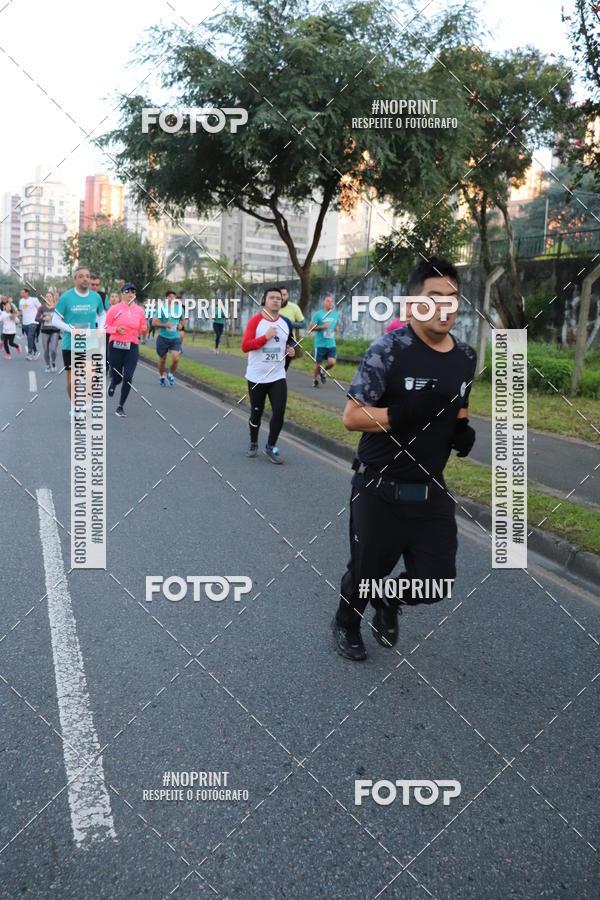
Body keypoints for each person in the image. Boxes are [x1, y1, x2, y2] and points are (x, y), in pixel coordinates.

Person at [331, 257, 477, 661]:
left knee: (437, 582)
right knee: (365, 573)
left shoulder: (465, 355)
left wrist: (462, 429)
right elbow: (351, 417)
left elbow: (459, 403)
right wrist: (403, 413)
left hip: (430, 487)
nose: (444, 307)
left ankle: (389, 602)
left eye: (452, 298)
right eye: (434, 298)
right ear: (412, 304)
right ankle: (346, 623)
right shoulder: (389, 351)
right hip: (380, 485)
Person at [241, 286, 295, 463]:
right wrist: (265, 337)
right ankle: (253, 442)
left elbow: (290, 343)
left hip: (277, 376)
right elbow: (245, 346)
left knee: (279, 412)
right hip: (257, 376)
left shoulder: (286, 323)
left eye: (278, 298)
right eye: (272, 297)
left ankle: (271, 447)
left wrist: (290, 350)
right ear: (264, 300)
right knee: (257, 412)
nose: (275, 300)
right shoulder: (255, 322)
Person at [52, 267, 106, 405]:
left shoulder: (96, 297)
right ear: (75, 279)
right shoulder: (66, 297)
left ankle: (86, 403)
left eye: (87, 276)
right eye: (81, 276)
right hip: (70, 343)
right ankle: (75, 405)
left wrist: (99, 328)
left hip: (90, 341)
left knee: (91, 376)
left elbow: (102, 314)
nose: (85, 279)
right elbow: (55, 320)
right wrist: (71, 329)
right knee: (72, 380)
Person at [104, 283, 147, 417]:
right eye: (127, 292)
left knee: (128, 376)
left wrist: (144, 330)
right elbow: (105, 327)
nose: (130, 294)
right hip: (116, 345)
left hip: (132, 346)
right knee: (117, 376)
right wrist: (115, 329)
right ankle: (113, 383)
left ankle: (120, 406)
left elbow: (143, 327)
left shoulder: (139, 311)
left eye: (133, 292)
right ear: (122, 293)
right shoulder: (114, 309)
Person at [152, 290, 185, 386]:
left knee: (176, 358)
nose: (172, 298)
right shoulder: (161, 309)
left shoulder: (179, 309)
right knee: (163, 359)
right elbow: (154, 323)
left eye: (173, 297)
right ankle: (161, 376)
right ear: (166, 298)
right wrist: (165, 324)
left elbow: (183, 320)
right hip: (163, 337)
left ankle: (170, 374)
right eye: (170, 296)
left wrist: (180, 326)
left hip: (175, 338)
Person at [309, 295, 339, 388]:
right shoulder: (318, 314)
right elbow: (311, 328)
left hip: (331, 344)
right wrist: (322, 327)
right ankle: (315, 380)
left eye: (331, 301)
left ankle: (323, 371)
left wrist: (337, 328)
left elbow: (337, 324)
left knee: (332, 362)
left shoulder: (335, 314)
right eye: (328, 301)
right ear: (324, 303)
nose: (330, 303)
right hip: (320, 344)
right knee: (318, 364)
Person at [278, 285, 305, 370]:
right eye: (280, 295)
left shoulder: (294, 307)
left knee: (284, 367)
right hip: (275, 339)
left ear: (288, 295)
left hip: (289, 341)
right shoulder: (272, 307)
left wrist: (289, 323)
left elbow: (303, 324)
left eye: (285, 295)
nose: (283, 297)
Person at [38, 290, 60, 371]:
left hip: (55, 330)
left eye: (50, 296)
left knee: (53, 350)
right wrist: (44, 318)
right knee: (46, 350)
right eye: (46, 296)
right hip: (45, 331)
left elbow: (63, 317)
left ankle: (53, 362)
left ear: (53, 298)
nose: (48, 298)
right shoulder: (42, 308)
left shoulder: (57, 307)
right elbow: (36, 318)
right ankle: (47, 365)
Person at [19, 288, 41, 360]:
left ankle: (29, 354)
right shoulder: (21, 301)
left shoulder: (34, 299)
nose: (21, 293)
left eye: (22, 292)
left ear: (27, 293)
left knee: (29, 337)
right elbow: (21, 311)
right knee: (30, 338)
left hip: (33, 322)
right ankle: (36, 351)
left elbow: (40, 308)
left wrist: (39, 316)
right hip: (25, 322)